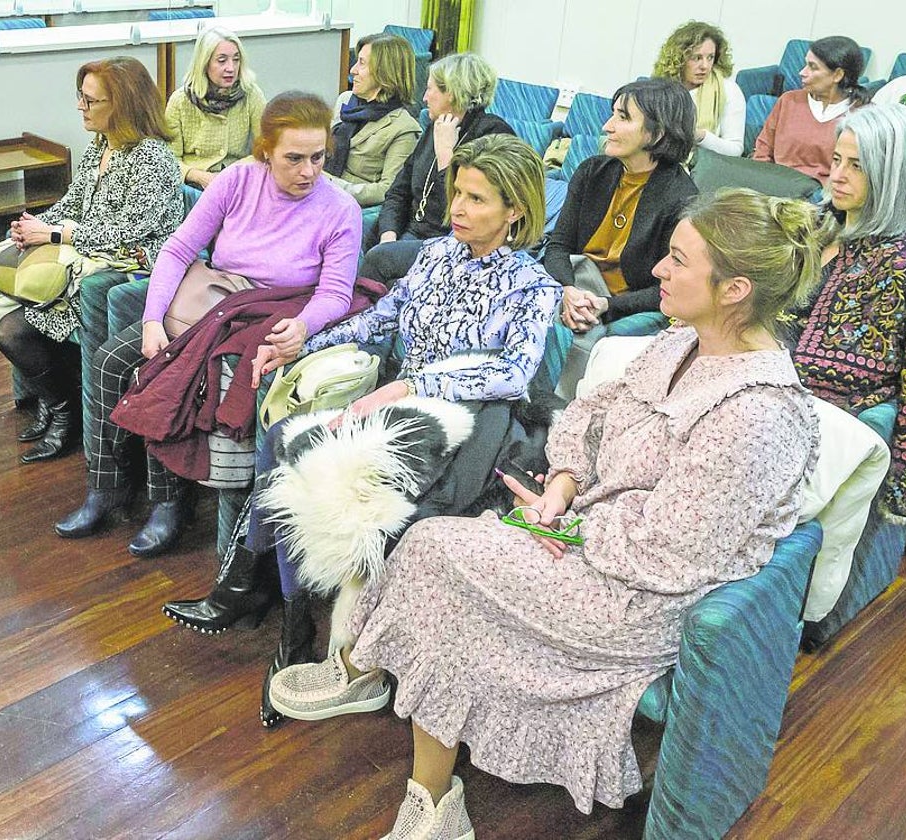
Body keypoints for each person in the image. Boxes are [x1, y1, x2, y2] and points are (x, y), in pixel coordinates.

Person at [265, 187, 823, 836]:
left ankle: (384, 709)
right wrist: (560, 485)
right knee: (437, 563)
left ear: (734, 289)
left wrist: (561, 526)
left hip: (638, 601)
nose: (658, 273)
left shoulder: (759, 414)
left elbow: (672, 554)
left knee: (435, 553)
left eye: (676, 260)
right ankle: (426, 785)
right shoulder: (683, 342)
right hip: (588, 537)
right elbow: (589, 412)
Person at [160, 135, 562, 728]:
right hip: (398, 401)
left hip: (473, 421)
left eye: (477, 199)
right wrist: (303, 343)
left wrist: (412, 385)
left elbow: (512, 372)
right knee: (283, 438)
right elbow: (382, 317)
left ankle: (343, 649)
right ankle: (278, 613)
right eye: (458, 192)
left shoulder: (534, 286)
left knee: (364, 490)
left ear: (515, 211)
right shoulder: (435, 255)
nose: (458, 208)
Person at [53, 91, 362, 558]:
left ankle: (168, 503)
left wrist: (302, 326)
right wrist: (153, 319)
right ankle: (106, 487)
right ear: (265, 151)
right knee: (108, 362)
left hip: (260, 312)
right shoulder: (238, 180)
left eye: (318, 157)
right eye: (293, 158)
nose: (308, 171)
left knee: (163, 374)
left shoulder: (340, 209)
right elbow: (179, 249)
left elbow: (336, 293)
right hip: (211, 302)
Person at [0, 56, 182, 464]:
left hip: (126, 270)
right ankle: (55, 398)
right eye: (82, 97)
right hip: (90, 254)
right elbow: (73, 202)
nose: (81, 107)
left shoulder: (152, 159)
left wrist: (55, 234)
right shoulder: (101, 147)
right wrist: (32, 225)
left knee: (11, 328)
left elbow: (129, 231)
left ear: (123, 105)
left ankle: (64, 411)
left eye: (91, 100)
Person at [788, 104, 906, 529]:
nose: (838, 176)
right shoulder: (814, 226)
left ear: (894, 175)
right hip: (760, 385)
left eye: (858, 167)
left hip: (827, 416)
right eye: (836, 161)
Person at [542, 77, 698, 397]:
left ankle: (554, 413)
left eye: (623, 117)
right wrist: (568, 290)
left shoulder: (682, 198)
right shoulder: (591, 172)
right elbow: (558, 246)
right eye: (613, 114)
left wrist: (605, 305)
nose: (607, 126)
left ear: (657, 132)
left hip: (619, 304)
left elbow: (667, 289)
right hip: (574, 284)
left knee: (574, 334)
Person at [362, 52, 514, 284]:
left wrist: (446, 156)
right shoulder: (436, 126)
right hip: (408, 232)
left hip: (454, 241)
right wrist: (388, 235)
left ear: (451, 93)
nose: (424, 98)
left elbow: (467, 208)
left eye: (430, 89)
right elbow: (398, 191)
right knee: (350, 233)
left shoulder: (493, 136)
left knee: (380, 260)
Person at [325, 32, 422, 208]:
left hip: (350, 206)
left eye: (361, 63)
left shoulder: (403, 128)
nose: (352, 70)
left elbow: (388, 190)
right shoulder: (346, 101)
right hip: (319, 191)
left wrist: (330, 184)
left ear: (384, 73)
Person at [754, 35, 869, 182]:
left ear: (837, 75)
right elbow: (762, 151)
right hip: (775, 188)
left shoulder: (864, 115)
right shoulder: (789, 101)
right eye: (805, 64)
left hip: (826, 197)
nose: (802, 72)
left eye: (812, 67)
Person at [165, 27, 267, 191]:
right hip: (194, 185)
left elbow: (267, 148)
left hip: (239, 180)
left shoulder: (251, 94)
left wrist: (236, 171)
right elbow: (169, 160)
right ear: (204, 63)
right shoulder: (180, 101)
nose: (231, 68)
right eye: (222, 60)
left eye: (236, 59)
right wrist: (198, 176)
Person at [652, 20, 746, 157]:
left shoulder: (729, 90)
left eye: (710, 57)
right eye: (697, 58)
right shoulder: (661, 88)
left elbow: (735, 150)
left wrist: (700, 136)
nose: (705, 66)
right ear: (679, 59)